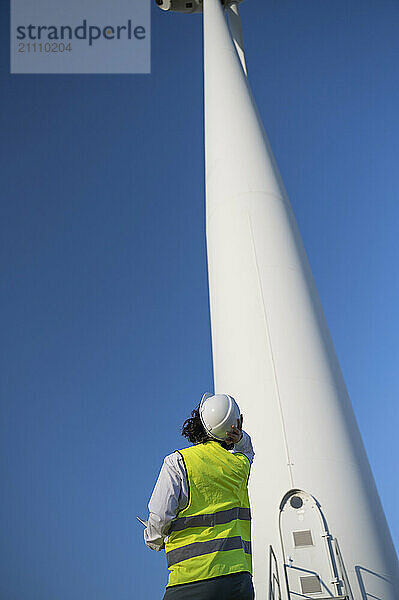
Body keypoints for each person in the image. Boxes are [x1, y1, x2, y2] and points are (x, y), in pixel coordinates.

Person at [144, 393, 255, 600]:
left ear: (199, 426)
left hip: (192, 581)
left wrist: (153, 540)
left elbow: (159, 518)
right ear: (235, 426)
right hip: (238, 583)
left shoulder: (178, 462)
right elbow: (248, 450)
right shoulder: (239, 467)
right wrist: (240, 437)